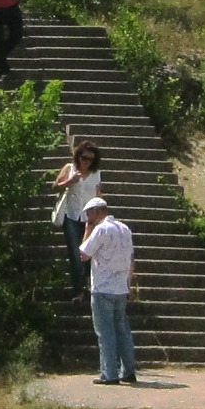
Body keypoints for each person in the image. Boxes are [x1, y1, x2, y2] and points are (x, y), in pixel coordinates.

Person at [77, 199, 137, 385]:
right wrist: (129, 282)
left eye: (89, 214)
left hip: (103, 287)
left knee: (105, 333)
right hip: (120, 287)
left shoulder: (101, 229)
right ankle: (128, 370)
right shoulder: (124, 229)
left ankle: (109, 373)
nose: (88, 218)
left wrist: (87, 232)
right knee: (122, 331)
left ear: (96, 211)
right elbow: (131, 257)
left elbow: (84, 255)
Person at [50, 139, 102, 298]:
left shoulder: (95, 174)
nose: (86, 162)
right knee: (75, 252)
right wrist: (70, 181)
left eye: (90, 159)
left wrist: (99, 216)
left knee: (88, 251)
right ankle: (79, 290)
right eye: (83, 157)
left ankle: (86, 282)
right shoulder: (69, 168)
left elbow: (98, 195)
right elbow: (55, 186)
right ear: (78, 156)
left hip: (88, 218)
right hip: (71, 216)